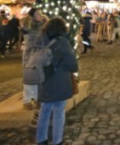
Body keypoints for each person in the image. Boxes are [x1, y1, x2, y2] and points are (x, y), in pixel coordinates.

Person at [36, 17, 78, 145]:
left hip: (43, 79)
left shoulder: (40, 39)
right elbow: (72, 63)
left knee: (45, 109)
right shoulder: (62, 42)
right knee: (59, 111)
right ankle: (57, 140)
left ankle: (41, 138)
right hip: (59, 80)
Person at [21, 7, 47, 109]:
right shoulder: (28, 26)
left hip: (41, 53)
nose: (39, 16)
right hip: (30, 53)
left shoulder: (45, 26)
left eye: (40, 14)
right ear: (32, 16)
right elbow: (27, 39)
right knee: (30, 76)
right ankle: (27, 99)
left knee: (40, 76)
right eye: (37, 14)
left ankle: (38, 98)